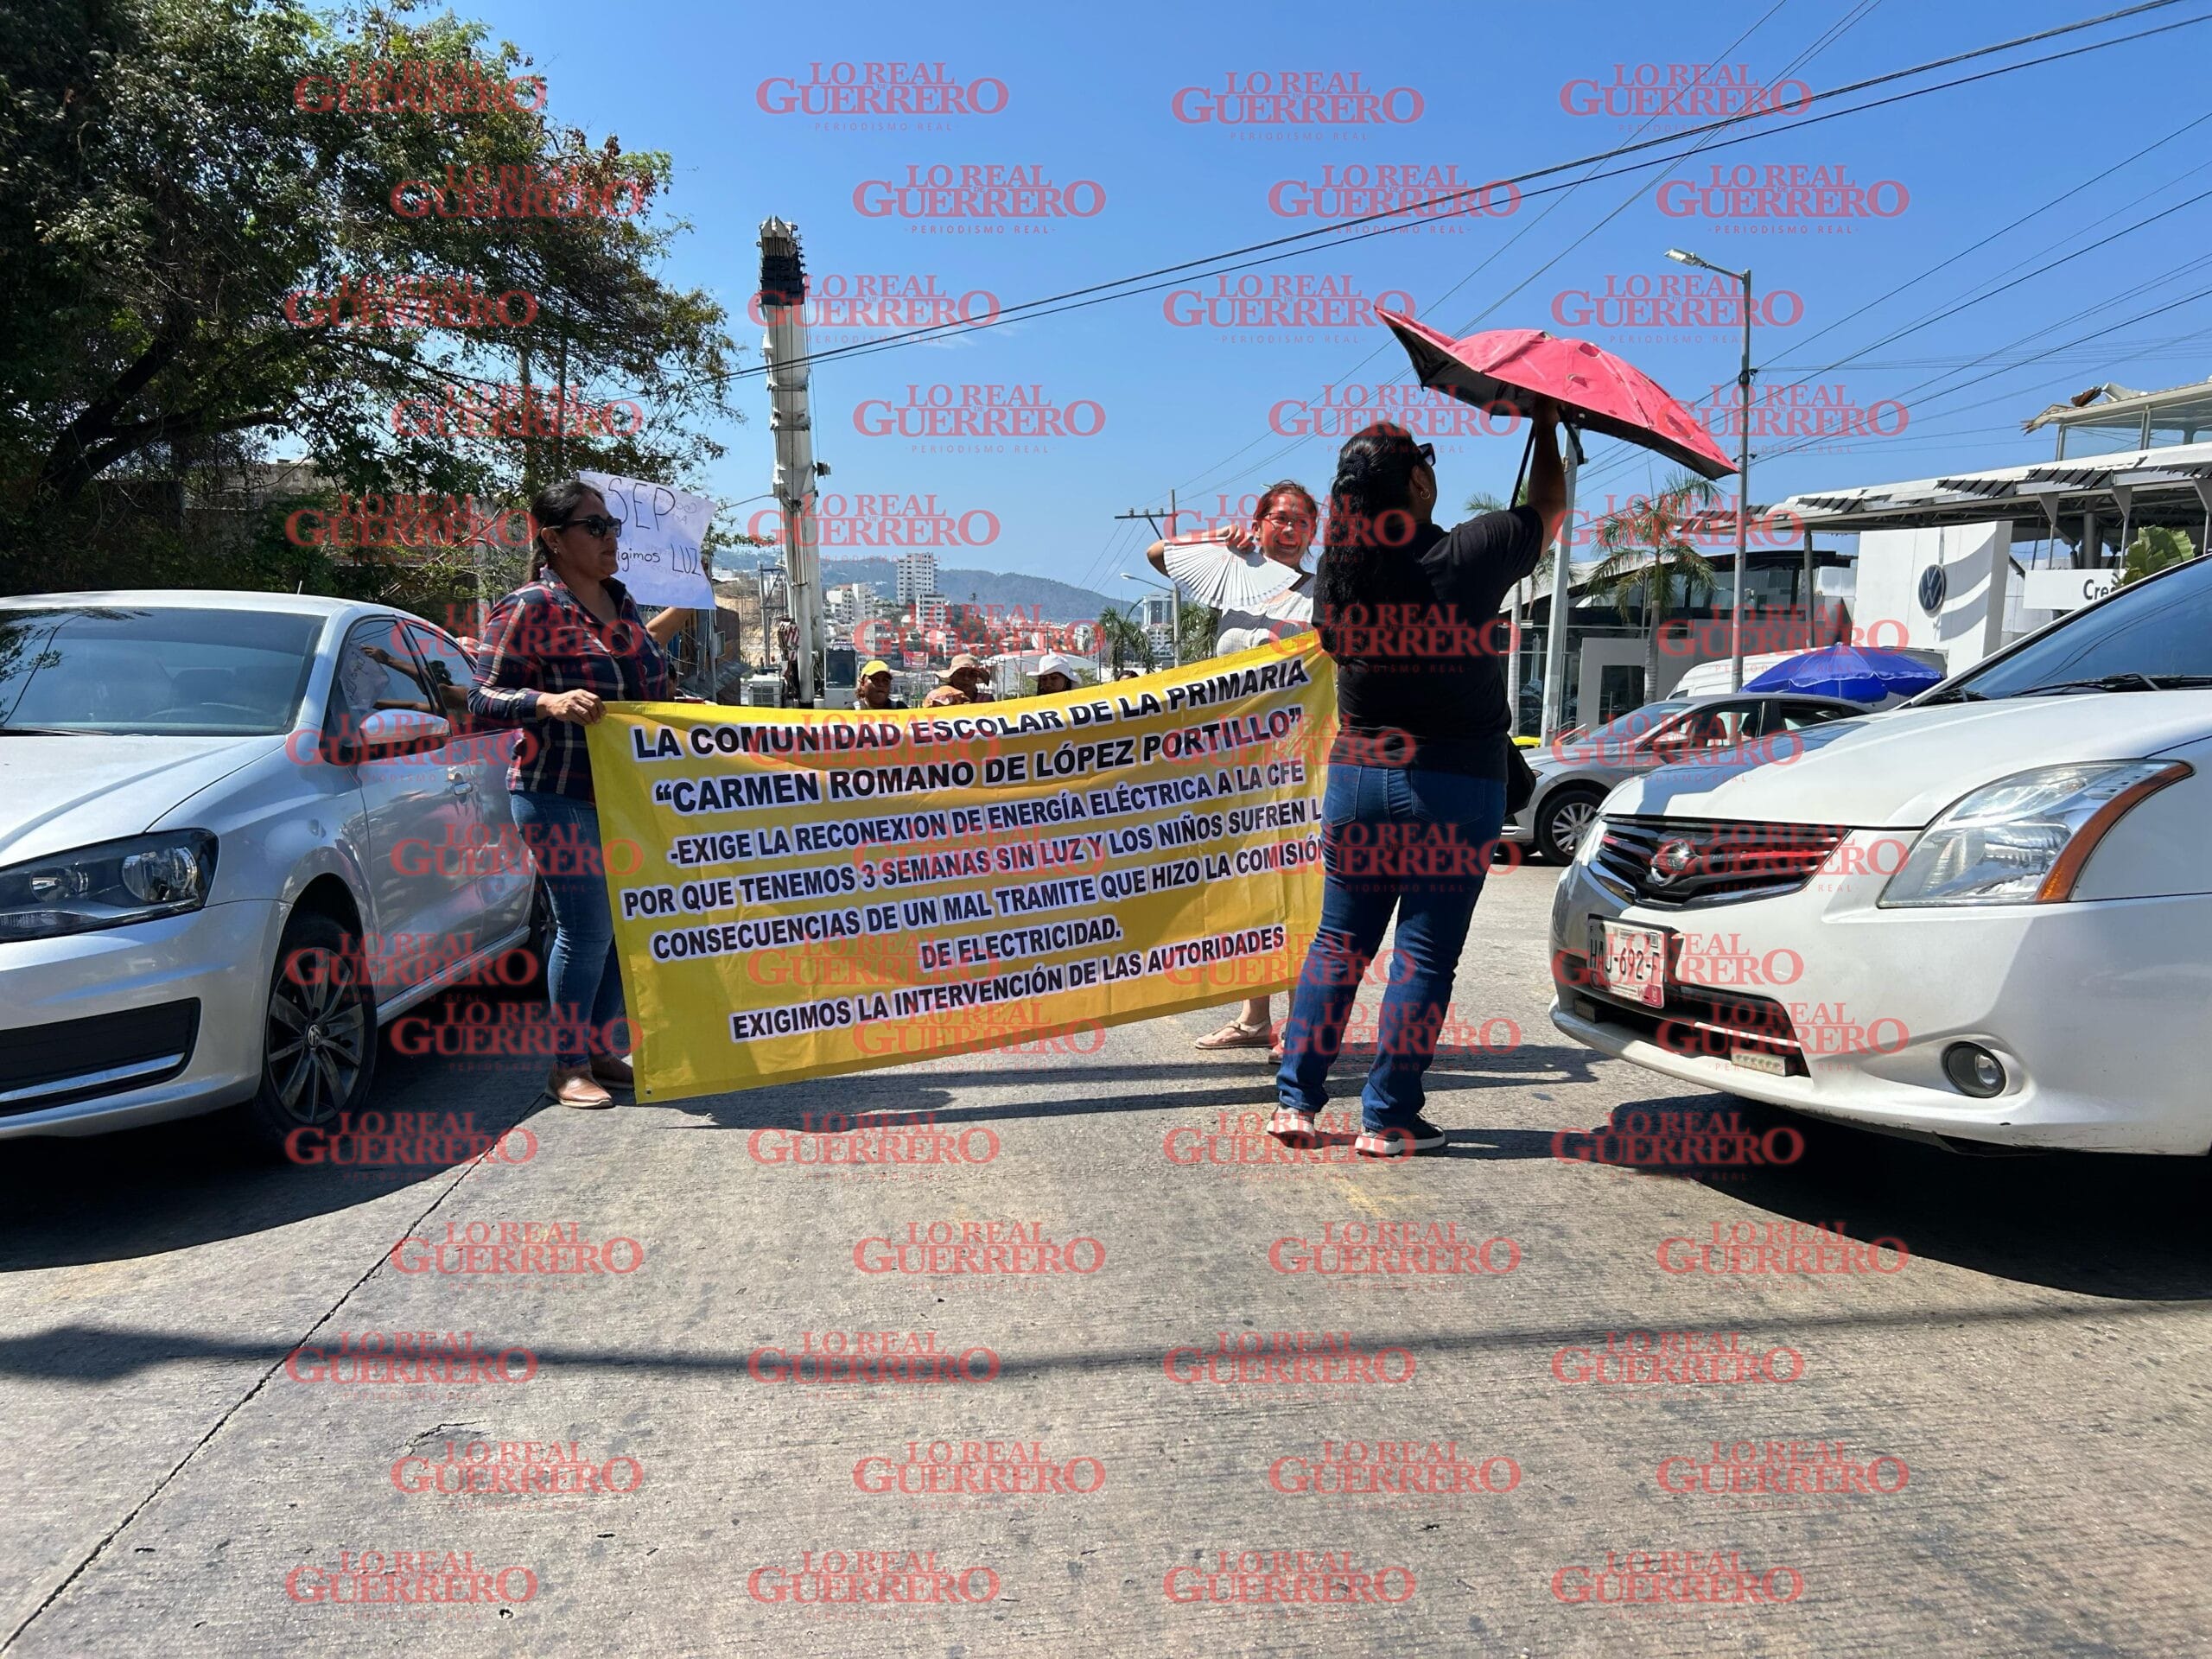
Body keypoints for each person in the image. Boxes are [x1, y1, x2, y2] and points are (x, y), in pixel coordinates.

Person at [1268, 410, 1566, 1159]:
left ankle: (1296, 1104)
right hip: (1454, 783)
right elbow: (1552, 509)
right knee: (1424, 958)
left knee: (1338, 942)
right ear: (1418, 480)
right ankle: (1389, 1116)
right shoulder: (1475, 549)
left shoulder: (1339, 574)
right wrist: (1550, 428)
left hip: (1360, 778)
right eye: (1427, 459)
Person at [468, 478, 689, 1109]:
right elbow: (483, 697)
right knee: (587, 927)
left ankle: (595, 1049)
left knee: (625, 926)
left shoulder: (624, 606)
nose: (610, 537)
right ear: (553, 539)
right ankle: (565, 1067)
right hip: (557, 790)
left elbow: (648, 690)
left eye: (613, 525)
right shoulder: (529, 607)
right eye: (595, 527)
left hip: (625, 795)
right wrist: (547, 701)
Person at [1147, 480, 1319, 1052]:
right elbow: (1156, 554)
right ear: (1260, 522)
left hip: (1301, 764)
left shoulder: (1325, 592)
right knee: (1244, 888)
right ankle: (1253, 1018)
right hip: (1233, 763)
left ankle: (1299, 1024)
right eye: (1278, 518)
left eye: (1300, 522)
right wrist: (1217, 539)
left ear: (1313, 531)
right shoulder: (1233, 576)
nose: (1289, 530)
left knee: (1295, 889)